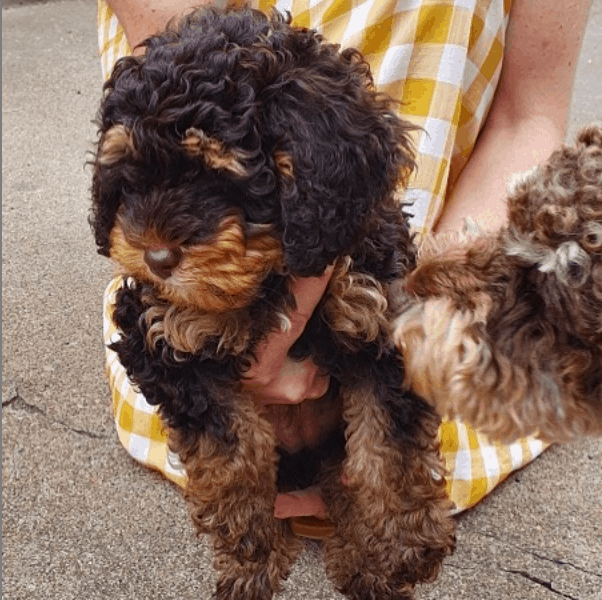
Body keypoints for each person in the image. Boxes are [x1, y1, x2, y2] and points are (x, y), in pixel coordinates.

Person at [99, 0, 593, 523]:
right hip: (207, 341)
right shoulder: (196, 102)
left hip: (425, 270)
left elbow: (528, 116)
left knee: (398, 411)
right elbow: (170, 84)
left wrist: (445, 303)